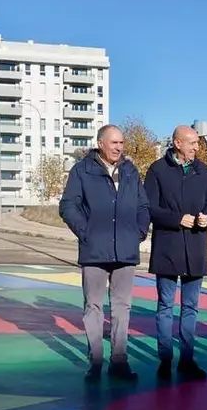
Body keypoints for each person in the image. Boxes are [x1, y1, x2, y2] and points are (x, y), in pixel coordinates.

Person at [59, 124, 151, 382]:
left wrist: (139, 232)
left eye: (121, 143)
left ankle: (119, 361)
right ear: (100, 143)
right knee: (93, 306)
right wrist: (85, 231)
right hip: (94, 249)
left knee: (122, 307)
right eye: (114, 143)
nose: (119, 147)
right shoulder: (82, 170)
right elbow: (68, 205)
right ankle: (96, 361)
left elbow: (143, 205)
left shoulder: (131, 171)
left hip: (125, 249)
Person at [143, 124, 207, 380]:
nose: (197, 147)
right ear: (177, 143)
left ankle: (187, 361)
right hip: (167, 248)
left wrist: (206, 218)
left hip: (195, 249)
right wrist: (177, 219)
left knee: (191, 307)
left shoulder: (204, 171)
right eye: (192, 143)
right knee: (165, 306)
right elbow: (149, 207)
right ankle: (165, 360)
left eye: (197, 143)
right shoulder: (157, 170)